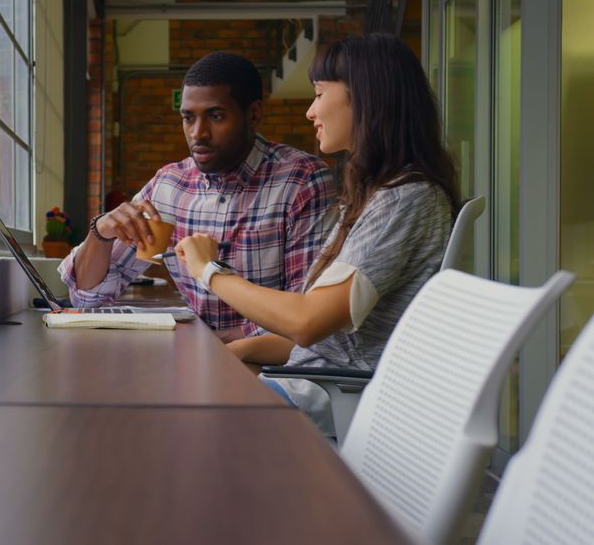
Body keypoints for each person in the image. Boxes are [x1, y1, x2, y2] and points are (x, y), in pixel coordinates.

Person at [174, 33, 461, 417]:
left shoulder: (404, 199)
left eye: (320, 93)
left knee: (164, 403)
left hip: (331, 397)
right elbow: (321, 336)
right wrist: (243, 349)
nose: (310, 111)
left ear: (365, 98)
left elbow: (308, 322)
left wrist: (208, 270)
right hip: (311, 381)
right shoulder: (378, 196)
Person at [58, 51, 337, 339]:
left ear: (253, 114)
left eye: (216, 116)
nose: (198, 133)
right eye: (188, 118)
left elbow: (307, 315)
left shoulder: (300, 180)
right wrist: (101, 231)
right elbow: (88, 299)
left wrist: (209, 342)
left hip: (271, 369)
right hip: (199, 359)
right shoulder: (169, 186)